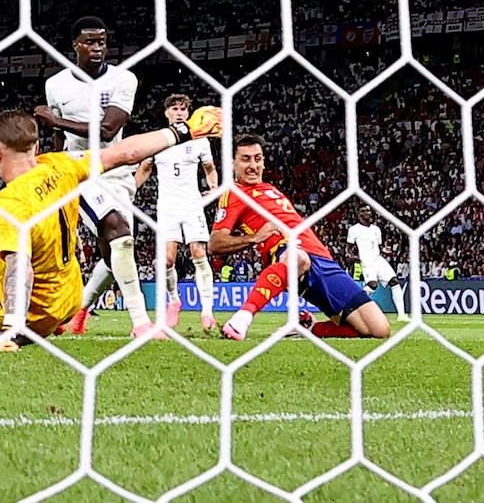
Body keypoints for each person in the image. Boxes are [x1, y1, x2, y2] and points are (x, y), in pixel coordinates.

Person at [0, 106, 222, 349]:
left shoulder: (9, 202)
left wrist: (11, 329)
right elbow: (126, 152)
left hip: (35, 312)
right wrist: (182, 131)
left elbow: (21, 270)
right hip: (70, 298)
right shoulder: (62, 165)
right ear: (36, 147)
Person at [34, 17, 152, 337]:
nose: (97, 48)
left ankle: (78, 310)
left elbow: (109, 128)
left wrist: (56, 119)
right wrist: (57, 170)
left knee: (117, 248)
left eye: (102, 42)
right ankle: (141, 323)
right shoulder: (56, 84)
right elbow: (59, 138)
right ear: (75, 45)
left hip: (117, 170)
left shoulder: (123, 79)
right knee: (118, 231)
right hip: (80, 171)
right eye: (90, 42)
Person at [212, 134, 390, 341]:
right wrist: (254, 238)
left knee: (378, 330)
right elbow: (215, 243)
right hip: (288, 255)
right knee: (298, 258)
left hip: (324, 261)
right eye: (245, 159)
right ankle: (242, 318)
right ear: (232, 162)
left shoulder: (270, 189)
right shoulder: (234, 193)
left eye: (257, 158)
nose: (253, 165)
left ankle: (307, 327)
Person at [134, 94, 220, 334]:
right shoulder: (158, 141)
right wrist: (129, 191)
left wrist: (213, 187)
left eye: (184, 109)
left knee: (198, 252)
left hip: (192, 204)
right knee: (167, 260)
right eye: (175, 108)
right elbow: (145, 169)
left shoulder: (200, 141)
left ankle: (207, 313)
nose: (180, 112)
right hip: (167, 207)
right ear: (167, 113)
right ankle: (174, 300)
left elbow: (210, 169)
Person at [347, 206, 406, 321]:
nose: (367, 213)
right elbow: (349, 247)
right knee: (372, 285)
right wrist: (352, 256)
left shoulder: (376, 229)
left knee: (394, 282)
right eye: (364, 211)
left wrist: (385, 250)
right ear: (359, 214)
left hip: (378, 259)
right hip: (366, 260)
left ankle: (402, 315)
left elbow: (377, 246)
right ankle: (352, 304)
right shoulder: (354, 229)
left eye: (368, 210)